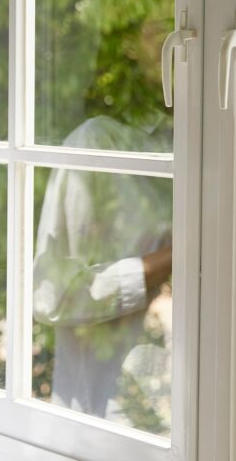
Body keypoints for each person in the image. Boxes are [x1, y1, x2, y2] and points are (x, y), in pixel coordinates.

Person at [33, 116, 173, 429]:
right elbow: (56, 294)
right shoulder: (94, 142)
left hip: (174, 401)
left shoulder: (203, 150)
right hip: (102, 408)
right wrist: (175, 256)